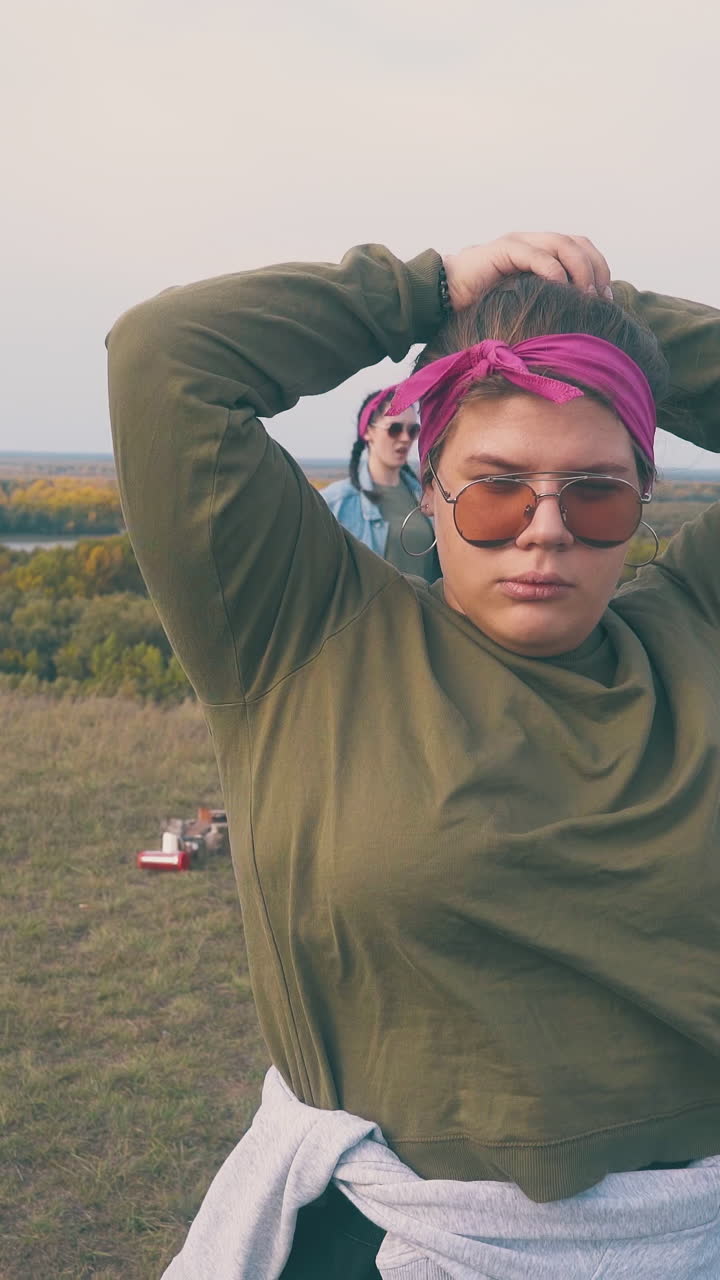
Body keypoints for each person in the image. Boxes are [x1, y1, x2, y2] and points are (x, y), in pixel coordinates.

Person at [107, 233, 720, 1279]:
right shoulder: (308, 638)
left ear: (644, 504)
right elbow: (167, 358)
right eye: (494, 490)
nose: (545, 530)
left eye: (597, 494)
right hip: (391, 1243)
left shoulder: (695, 632)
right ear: (429, 491)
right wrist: (420, 293)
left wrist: (598, 317)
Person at [320, 389, 440, 582]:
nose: (405, 438)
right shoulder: (334, 503)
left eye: (412, 430)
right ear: (368, 432)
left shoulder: (428, 497)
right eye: (394, 429)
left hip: (424, 611)